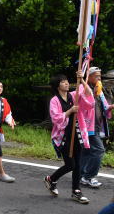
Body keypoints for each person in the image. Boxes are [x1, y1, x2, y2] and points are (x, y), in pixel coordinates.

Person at [44, 72, 93, 204]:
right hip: (64, 136)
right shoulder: (55, 100)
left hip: (77, 134)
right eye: (63, 81)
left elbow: (89, 95)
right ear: (57, 85)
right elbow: (55, 118)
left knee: (78, 164)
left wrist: (82, 80)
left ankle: (76, 191)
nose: (66, 83)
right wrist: (70, 111)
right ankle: (51, 179)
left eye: (67, 81)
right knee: (71, 164)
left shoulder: (73, 95)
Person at [80, 67, 113, 188]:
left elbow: (105, 107)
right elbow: (86, 104)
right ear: (90, 77)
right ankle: (89, 176)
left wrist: (111, 106)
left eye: (100, 76)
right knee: (99, 150)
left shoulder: (99, 90)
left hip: (98, 125)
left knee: (87, 151)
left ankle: (81, 175)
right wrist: (93, 93)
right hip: (88, 125)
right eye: (97, 76)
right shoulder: (83, 88)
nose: (99, 78)